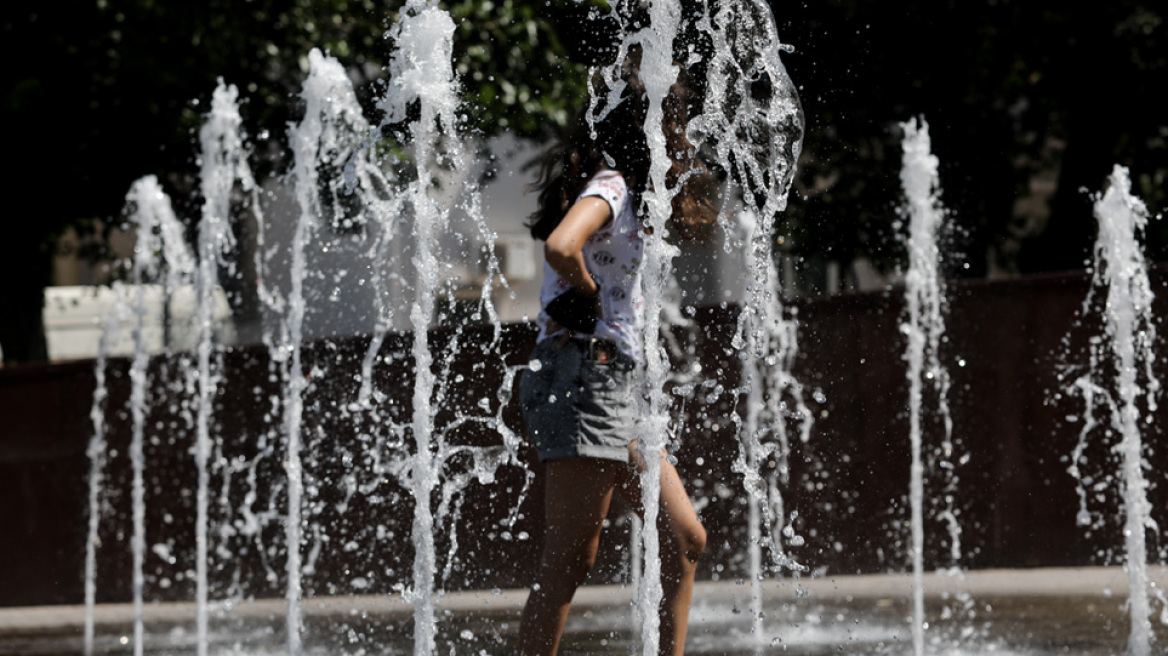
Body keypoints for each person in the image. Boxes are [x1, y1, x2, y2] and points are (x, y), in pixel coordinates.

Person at [517, 51, 714, 656]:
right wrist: (589, 295)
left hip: (609, 382)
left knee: (684, 539)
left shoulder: (625, 192)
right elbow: (560, 246)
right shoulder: (612, 183)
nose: (682, 139)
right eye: (675, 125)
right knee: (570, 562)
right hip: (584, 376)